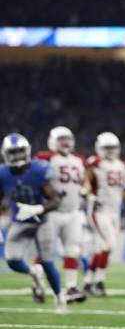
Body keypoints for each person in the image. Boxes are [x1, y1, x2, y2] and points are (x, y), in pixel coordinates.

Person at [0, 133, 66, 313]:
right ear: (6, 154)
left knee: (47, 260)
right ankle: (34, 272)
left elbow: (55, 200)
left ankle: (60, 298)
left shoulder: (38, 170)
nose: (18, 157)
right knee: (12, 261)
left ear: (27, 151)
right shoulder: (3, 173)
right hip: (19, 223)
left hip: (42, 222)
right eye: (13, 153)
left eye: (20, 152)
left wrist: (38, 209)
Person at [35, 126, 87, 303]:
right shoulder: (44, 159)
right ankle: (38, 285)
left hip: (72, 212)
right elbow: (36, 182)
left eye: (67, 139)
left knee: (72, 250)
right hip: (52, 213)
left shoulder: (79, 160)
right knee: (45, 252)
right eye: (61, 140)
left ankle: (71, 287)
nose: (65, 143)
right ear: (53, 142)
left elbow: (81, 184)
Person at [83, 132, 125, 296]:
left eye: (112, 148)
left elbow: (122, 189)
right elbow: (86, 181)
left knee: (101, 248)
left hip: (115, 212)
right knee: (108, 245)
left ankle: (88, 282)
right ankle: (99, 283)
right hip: (99, 210)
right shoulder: (95, 163)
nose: (110, 151)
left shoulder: (121, 165)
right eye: (106, 148)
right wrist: (88, 194)